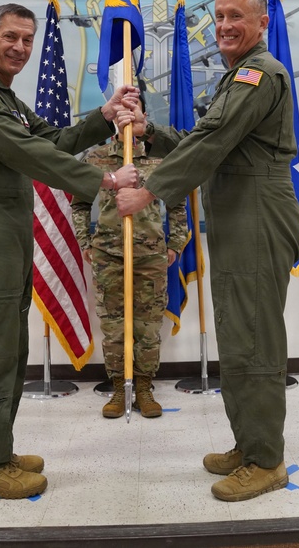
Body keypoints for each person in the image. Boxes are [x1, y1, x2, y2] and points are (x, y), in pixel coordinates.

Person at [0, 3, 143, 500]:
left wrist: (105, 115)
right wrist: (105, 179)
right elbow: (29, 153)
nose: (20, 48)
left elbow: (52, 138)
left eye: (28, 40)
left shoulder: (5, 98)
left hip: (9, 228)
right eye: (10, 37)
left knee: (10, 345)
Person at [116, 0, 299, 502]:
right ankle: (249, 445)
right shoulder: (235, 78)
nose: (223, 25)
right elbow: (209, 141)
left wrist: (150, 190)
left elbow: (212, 142)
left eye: (236, 17)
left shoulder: (258, 73)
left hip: (257, 217)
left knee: (254, 339)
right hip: (239, 216)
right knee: (239, 335)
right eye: (219, 16)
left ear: (262, 22)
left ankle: (266, 460)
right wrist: (148, 130)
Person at [71, 98, 188, 420]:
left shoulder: (161, 157)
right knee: (113, 325)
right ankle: (119, 388)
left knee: (148, 326)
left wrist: (175, 245)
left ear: (143, 117)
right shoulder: (96, 158)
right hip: (109, 255)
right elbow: (79, 204)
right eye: (120, 112)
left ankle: (145, 388)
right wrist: (86, 243)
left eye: (133, 112)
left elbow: (178, 205)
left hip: (150, 256)